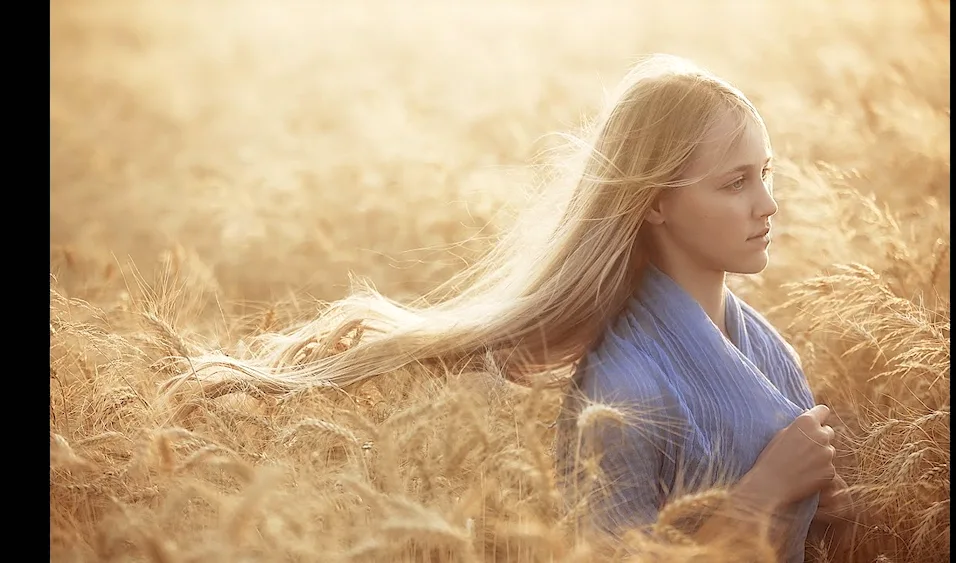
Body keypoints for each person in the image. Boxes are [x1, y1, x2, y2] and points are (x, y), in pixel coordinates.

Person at [161, 54, 855, 561]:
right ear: (656, 202)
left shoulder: (767, 350)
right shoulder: (624, 392)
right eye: (735, 182)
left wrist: (826, 510)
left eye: (765, 173)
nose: (767, 204)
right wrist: (768, 487)